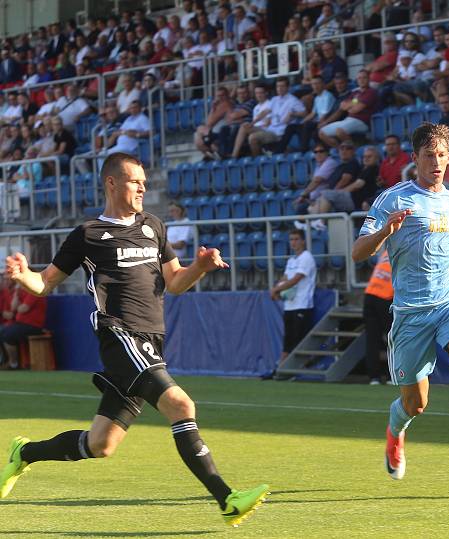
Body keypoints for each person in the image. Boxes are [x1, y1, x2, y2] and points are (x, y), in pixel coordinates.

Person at [0, 152, 269, 526]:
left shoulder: (153, 226)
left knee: (100, 445)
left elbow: (175, 282)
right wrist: (23, 275)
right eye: (134, 181)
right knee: (180, 404)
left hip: (151, 340)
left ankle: (25, 453)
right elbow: (45, 283)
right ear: (112, 183)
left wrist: (200, 267)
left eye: (144, 181)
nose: (142, 187)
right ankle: (227, 499)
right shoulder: (88, 234)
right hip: (120, 335)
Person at [351, 122, 449, 480]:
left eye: (441, 155)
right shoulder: (392, 199)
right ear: (415, 158)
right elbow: (357, 252)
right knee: (416, 404)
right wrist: (384, 232)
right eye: (428, 155)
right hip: (411, 313)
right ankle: (395, 432)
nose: (436, 162)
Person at [270, 229, 317, 368]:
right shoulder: (291, 260)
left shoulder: (307, 257)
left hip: (303, 305)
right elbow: (286, 278)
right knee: (288, 339)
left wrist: (277, 289)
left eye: (296, 239)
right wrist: (277, 288)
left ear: (303, 241)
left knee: (299, 339)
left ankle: (295, 368)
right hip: (290, 305)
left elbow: (297, 278)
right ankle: (282, 367)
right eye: (291, 239)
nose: (294, 242)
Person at [0, 281, 47, 369]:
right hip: (20, 324)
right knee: (2, 332)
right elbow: (13, 307)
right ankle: (6, 361)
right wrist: (16, 294)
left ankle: (13, 364)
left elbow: (23, 309)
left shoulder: (35, 291)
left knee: (8, 335)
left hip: (33, 326)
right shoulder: (21, 292)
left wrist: (18, 306)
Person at [363, 248, 393, 385]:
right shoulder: (406, 251)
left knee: (372, 340)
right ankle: (391, 376)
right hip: (386, 297)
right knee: (393, 340)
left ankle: (374, 377)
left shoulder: (387, 251)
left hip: (370, 294)